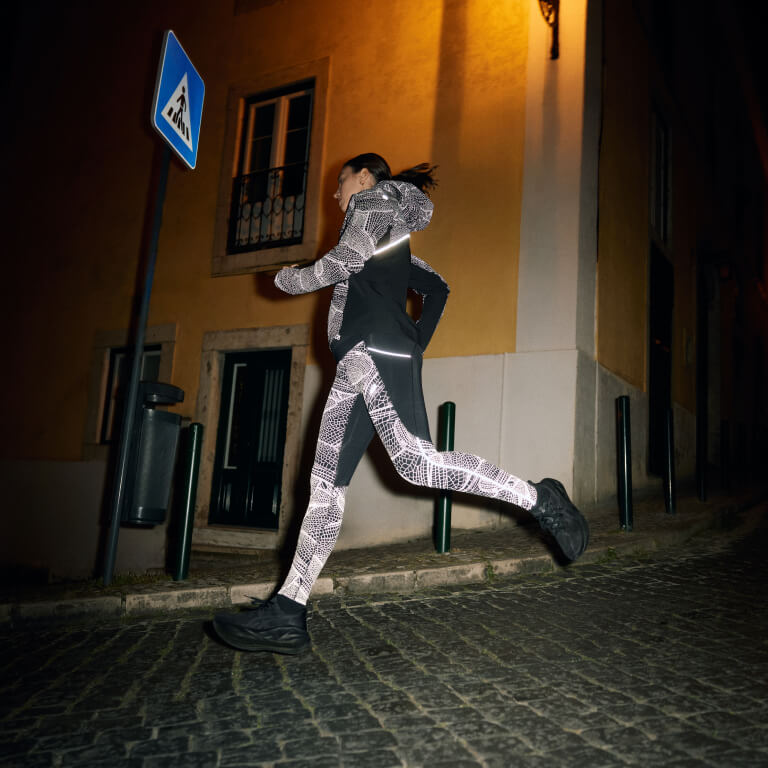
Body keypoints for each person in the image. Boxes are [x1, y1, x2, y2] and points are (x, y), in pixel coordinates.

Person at [212, 153, 589, 654]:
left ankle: (542, 500)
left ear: (363, 178)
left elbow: (344, 263)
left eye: (339, 182)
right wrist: (414, 340)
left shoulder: (372, 203)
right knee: (325, 487)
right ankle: (289, 609)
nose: (334, 194)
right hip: (360, 358)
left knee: (413, 464)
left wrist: (286, 279)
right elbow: (437, 288)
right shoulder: (388, 237)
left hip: (373, 352)